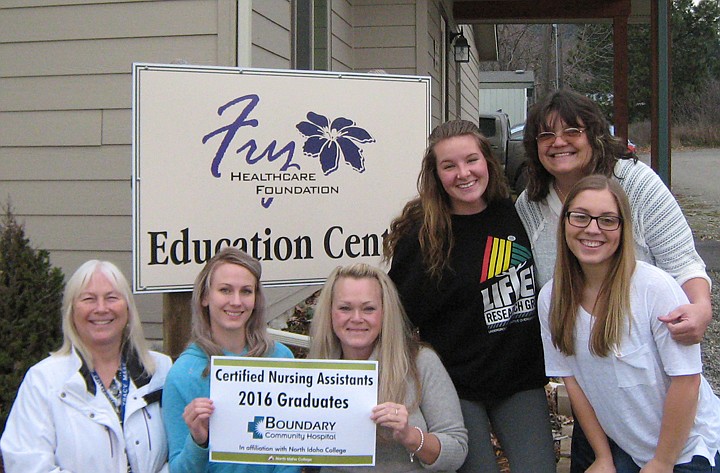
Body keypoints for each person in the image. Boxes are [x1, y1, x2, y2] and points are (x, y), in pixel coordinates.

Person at [515, 88, 713, 471]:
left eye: (572, 131)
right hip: (599, 397)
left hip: (653, 378)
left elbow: (683, 260)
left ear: (594, 135)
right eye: (546, 136)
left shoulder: (635, 184)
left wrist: (700, 308)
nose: (559, 143)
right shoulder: (531, 204)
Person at [383, 119, 556, 473]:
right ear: (436, 174)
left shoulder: (516, 214)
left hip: (519, 380)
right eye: (449, 165)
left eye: (471, 160)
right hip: (456, 388)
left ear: (487, 162)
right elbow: (395, 318)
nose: (463, 173)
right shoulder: (423, 237)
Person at [538, 174, 720, 472]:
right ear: (565, 224)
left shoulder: (654, 289)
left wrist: (662, 462)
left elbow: (687, 380)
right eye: (580, 217)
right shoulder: (552, 299)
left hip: (687, 449)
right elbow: (573, 382)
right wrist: (603, 456)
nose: (592, 229)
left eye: (607, 220)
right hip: (629, 450)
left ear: (623, 230)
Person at [0, 260, 172, 473]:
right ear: (72, 312)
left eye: (111, 298)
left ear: (128, 309)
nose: (101, 309)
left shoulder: (161, 370)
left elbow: (179, 454)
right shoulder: (43, 380)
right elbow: (25, 463)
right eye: (89, 299)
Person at [308, 263, 468, 472]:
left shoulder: (421, 362)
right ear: (329, 312)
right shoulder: (316, 369)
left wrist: (410, 436)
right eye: (345, 308)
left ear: (385, 312)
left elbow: (457, 450)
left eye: (369, 308)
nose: (356, 318)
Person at [161, 248, 300, 473]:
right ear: (205, 297)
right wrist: (198, 442)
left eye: (246, 291)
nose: (236, 301)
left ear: (256, 298)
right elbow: (179, 469)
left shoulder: (281, 359)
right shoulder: (182, 374)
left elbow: (290, 449)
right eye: (225, 290)